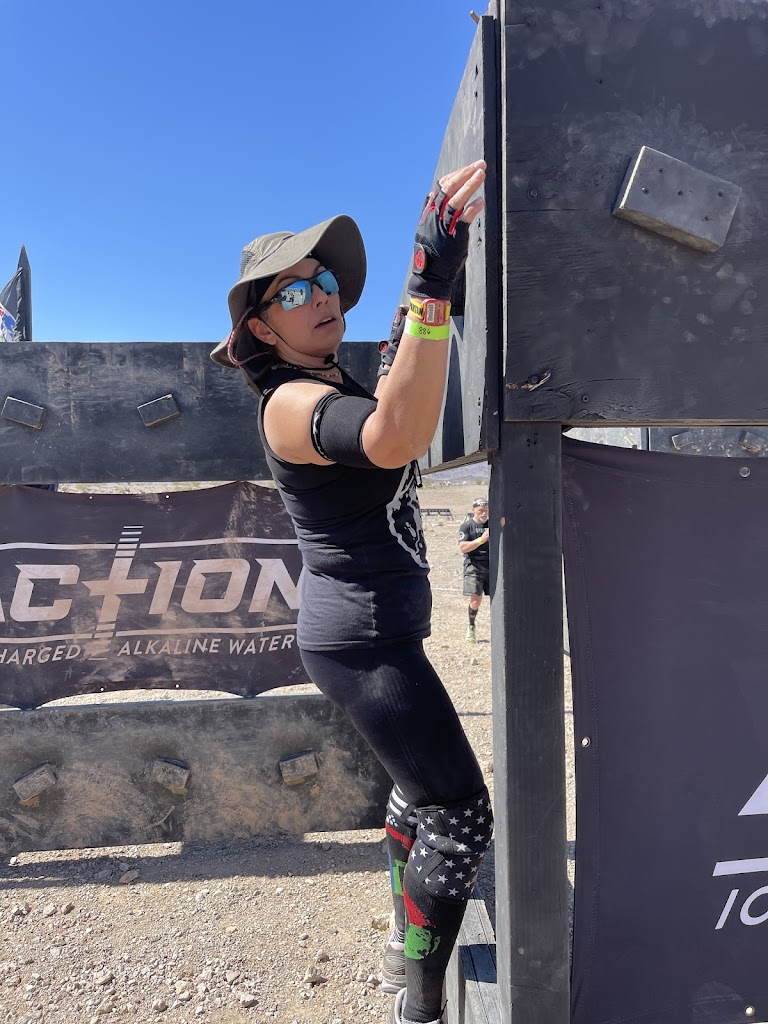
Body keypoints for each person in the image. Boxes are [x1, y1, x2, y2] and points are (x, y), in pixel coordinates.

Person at [211, 162, 493, 1024]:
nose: (325, 297)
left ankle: (400, 951)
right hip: (363, 640)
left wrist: (427, 283)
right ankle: (420, 1007)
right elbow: (397, 434)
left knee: (416, 793)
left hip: (374, 633)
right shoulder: (289, 403)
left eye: (328, 282)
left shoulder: (332, 381)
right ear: (261, 327)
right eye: (297, 292)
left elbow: (400, 373)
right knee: (461, 815)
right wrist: (431, 287)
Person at [458, 498, 489, 642]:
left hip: (492, 565)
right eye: (480, 511)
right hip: (474, 565)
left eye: (486, 510)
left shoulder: (493, 524)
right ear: (474, 511)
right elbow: (463, 548)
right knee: (476, 601)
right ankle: (471, 626)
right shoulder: (466, 526)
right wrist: (481, 540)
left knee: (499, 599)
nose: (484, 513)